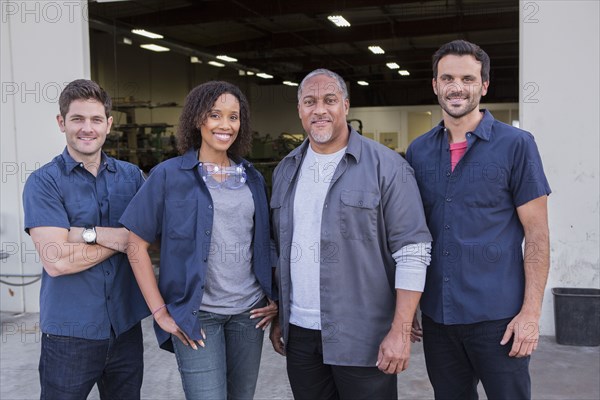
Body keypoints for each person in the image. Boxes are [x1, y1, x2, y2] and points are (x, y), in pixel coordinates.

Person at [269, 68, 433, 399]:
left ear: (345, 105)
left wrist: (400, 330)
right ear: (300, 110)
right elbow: (280, 247)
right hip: (300, 334)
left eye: (329, 100)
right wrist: (280, 315)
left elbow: (413, 251)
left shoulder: (387, 166)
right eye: (309, 101)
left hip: (365, 336)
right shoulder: (285, 169)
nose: (319, 110)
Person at [406, 40, 551, 399]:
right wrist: (407, 307)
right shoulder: (418, 151)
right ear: (435, 85)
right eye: (448, 78)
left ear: (484, 85)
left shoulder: (516, 145)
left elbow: (537, 235)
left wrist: (531, 314)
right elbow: (409, 234)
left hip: (499, 319)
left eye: (468, 78)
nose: (458, 87)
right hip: (438, 319)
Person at [119, 81, 278, 400]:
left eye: (234, 117)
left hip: (249, 314)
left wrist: (274, 297)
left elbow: (265, 243)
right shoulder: (168, 176)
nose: (225, 125)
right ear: (197, 119)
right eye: (215, 114)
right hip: (196, 314)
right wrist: (161, 312)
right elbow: (134, 244)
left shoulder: (252, 178)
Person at [22, 79, 148, 399]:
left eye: (95, 119)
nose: (87, 128)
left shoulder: (132, 177)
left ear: (108, 124)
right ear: (62, 122)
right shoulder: (43, 183)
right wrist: (123, 238)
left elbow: (151, 237)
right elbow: (58, 260)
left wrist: (82, 234)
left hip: (125, 329)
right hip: (69, 335)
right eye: (77, 119)